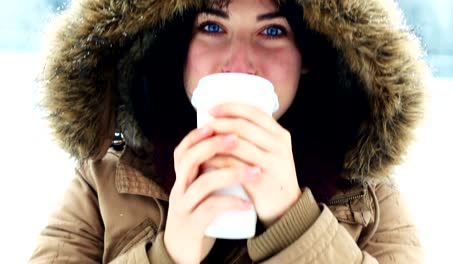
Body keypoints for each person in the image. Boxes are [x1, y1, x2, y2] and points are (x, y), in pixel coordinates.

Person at [29, 0, 429, 263]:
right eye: (212, 27)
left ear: (308, 56)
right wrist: (170, 255)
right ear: (178, 48)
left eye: (272, 31)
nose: (238, 62)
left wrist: (297, 223)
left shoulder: (371, 201)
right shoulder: (102, 182)